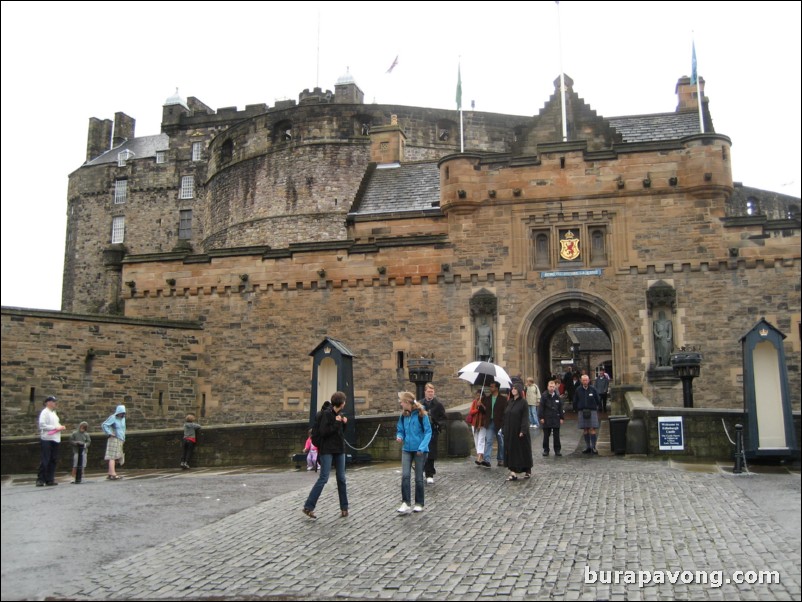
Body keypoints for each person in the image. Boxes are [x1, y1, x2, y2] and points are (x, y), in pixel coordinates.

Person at [302, 392, 349, 519]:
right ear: (341, 403)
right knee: (323, 478)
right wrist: (337, 423)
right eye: (344, 401)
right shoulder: (327, 415)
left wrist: (343, 424)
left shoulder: (339, 415)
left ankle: (344, 508)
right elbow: (324, 432)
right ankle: (308, 506)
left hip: (339, 449)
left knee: (341, 478)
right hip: (327, 450)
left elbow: (339, 434)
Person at [395, 392, 432, 514]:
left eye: (401, 401)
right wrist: (400, 436)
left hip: (419, 451)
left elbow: (428, 432)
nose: (400, 403)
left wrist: (422, 447)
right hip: (406, 449)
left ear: (407, 402)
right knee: (405, 476)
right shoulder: (403, 416)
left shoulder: (422, 415)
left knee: (418, 478)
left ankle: (419, 503)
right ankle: (405, 502)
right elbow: (400, 429)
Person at [501, 381, 533, 481]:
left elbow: (525, 418)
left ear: (519, 390)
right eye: (512, 388)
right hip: (510, 431)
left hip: (520, 432)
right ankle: (513, 472)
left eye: (515, 388)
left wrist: (523, 430)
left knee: (522, 451)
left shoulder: (523, 403)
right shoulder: (509, 402)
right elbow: (505, 415)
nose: (513, 390)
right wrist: (503, 428)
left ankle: (527, 470)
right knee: (511, 451)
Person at [36, 395, 66, 486]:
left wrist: (60, 427)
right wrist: (56, 427)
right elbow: (42, 425)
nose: (55, 403)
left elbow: (56, 424)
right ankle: (40, 479)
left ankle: (50, 479)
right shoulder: (44, 412)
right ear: (48, 402)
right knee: (46, 459)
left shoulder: (54, 413)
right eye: (53, 401)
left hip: (55, 439)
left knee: (53, 459)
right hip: (47, 439)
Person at [421, 382, 446, 484]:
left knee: (431, 452)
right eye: (429, 391)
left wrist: (437, 423)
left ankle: (429, 473)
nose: (430, 393)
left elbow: (444, 419)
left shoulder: (438, 405)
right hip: (422, 432)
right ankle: (423, 469)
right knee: (422, 452)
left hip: (432, 431)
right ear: (425, 392)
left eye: (432, 391)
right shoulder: (420, 404)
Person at [482, 380, 508, 467]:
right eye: (490, 386)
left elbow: (505, 412)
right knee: (489, 440)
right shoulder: (487, 398)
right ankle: (487, 459)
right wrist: (480, 406)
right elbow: (484, 411)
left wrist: (504, 423)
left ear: (497, 388)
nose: (490, 388)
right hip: (490, 422)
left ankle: (501, 459)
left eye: (492, 386)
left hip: (499, 423)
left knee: (501, 442)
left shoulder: (503, 399)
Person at [574, 374, 600, 455]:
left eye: (586, 380)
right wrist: (576, 408)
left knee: (592, 429)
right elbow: (575, 400)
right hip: (582, 410)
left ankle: (594, 447)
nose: (585, 382)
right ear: (581, 381)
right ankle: (588, 447)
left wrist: (597, 407)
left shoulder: (593, 389)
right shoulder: (578, 389)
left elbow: (598, 399)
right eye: (583, 380)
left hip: (592, 410)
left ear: (589, 380)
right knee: (585, 429)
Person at [539, 380, 565, 456]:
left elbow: (560, 407)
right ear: (548, 387)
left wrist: (561, 417)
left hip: (556, 418)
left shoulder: (557, 396)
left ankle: (557, 450)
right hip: (547, 418)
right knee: (546, 435)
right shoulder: (544, 396)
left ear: (555, 387)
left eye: (553, 387)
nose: (551, 388)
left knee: (556, 436)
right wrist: (541, 417)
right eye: (550, 386)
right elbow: (541, 407)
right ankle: (546, 450)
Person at [102, 405, 127, 480]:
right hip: (113, 439)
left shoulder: (123, 419)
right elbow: (104, 425)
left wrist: (123, 438)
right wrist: (109, 433)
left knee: (116, 457)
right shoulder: (113, 417)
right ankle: (113, 473)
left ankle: (110, 473)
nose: (122, 414)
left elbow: (123, 428)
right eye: (121, 412)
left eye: (123, 413)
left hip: (120, 439)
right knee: (112, 456)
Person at [467, 388, 488, 466]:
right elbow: (471, 412)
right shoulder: (475, 402)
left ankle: (479, 457)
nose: (478, 396)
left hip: (483, 424)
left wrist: (481, 405)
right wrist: (477, 409)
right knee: (476, 440)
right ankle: (480, 455)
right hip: (474, 424)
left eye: (480, 395)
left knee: (481, 440)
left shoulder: (485, 402)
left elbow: (487, 411)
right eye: (477, 395)